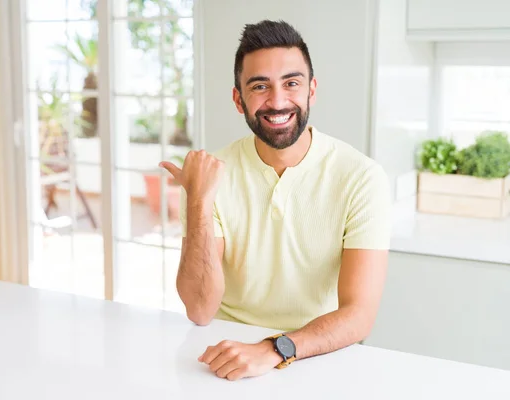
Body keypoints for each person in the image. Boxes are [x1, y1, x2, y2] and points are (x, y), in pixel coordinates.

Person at [159, 19, 391, 381]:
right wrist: (199, 201)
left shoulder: (361, 177)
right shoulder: (212, 175)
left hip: (318, 352)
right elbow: (200, 310)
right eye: (259, 86)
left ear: (312, 90)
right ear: (239, 99)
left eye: (292, 83)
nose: (278, 100)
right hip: (222, 352)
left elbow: (359, 315)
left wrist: (274, 349)